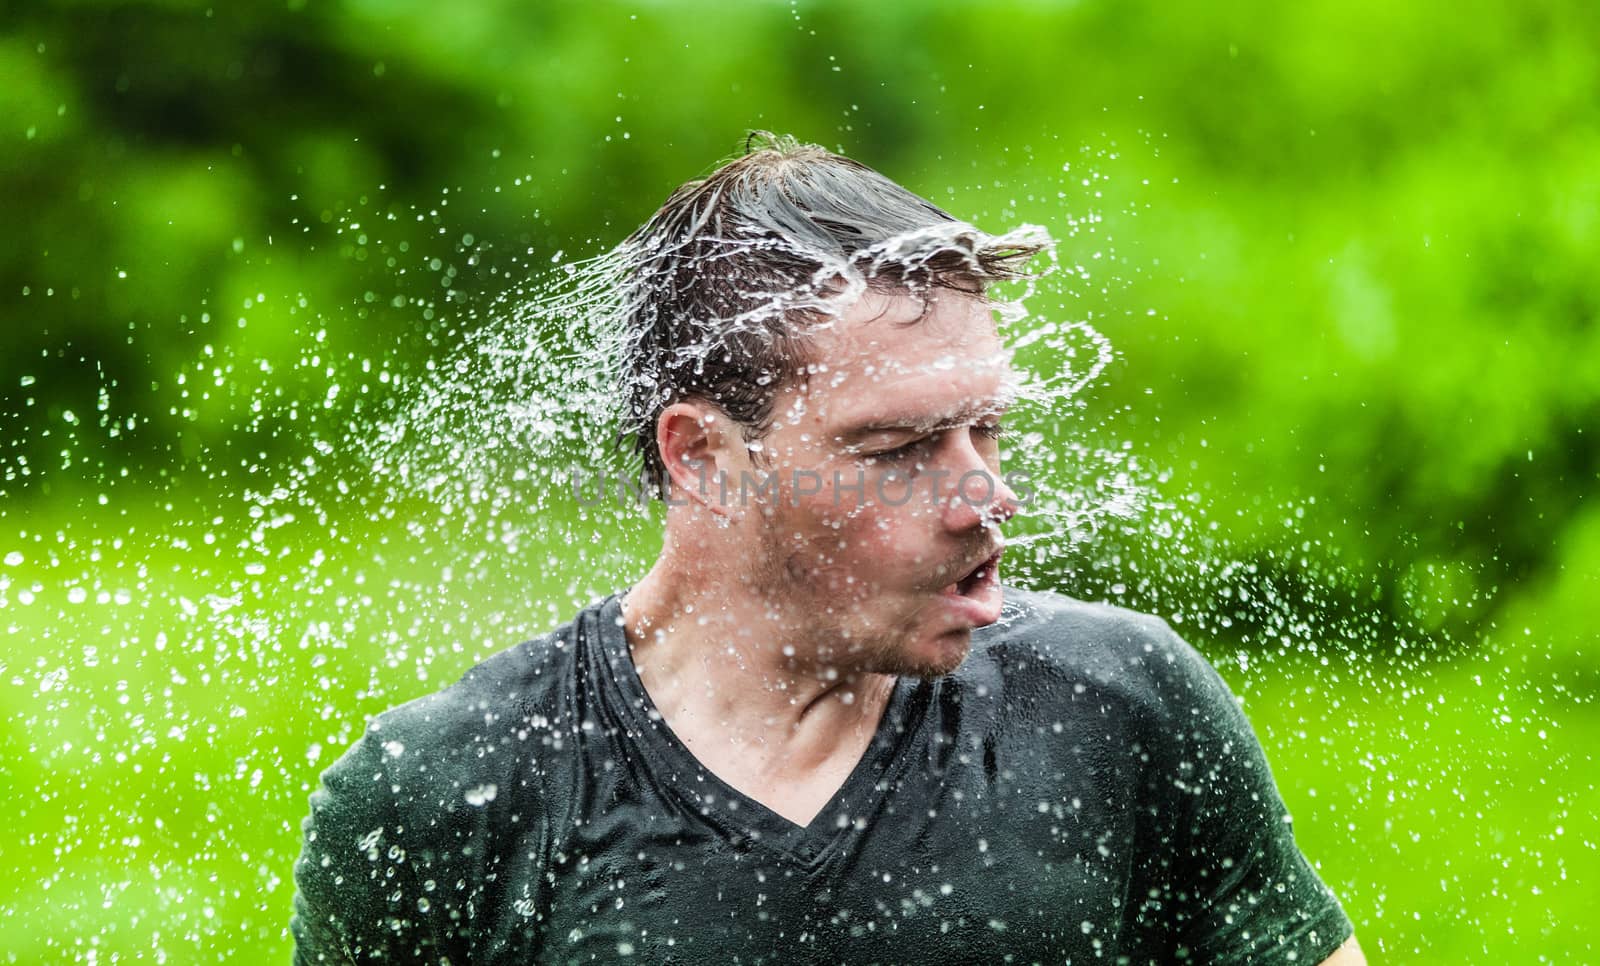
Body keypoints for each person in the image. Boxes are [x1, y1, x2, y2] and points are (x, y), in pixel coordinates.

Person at [290, 134, 1365, 964]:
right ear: (702, 456)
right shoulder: (450, 795)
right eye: (897, 449)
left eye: (985, 428)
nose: (984, 495)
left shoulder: (1116, 707)